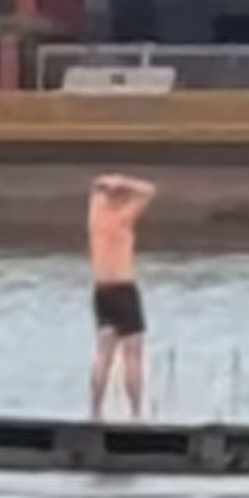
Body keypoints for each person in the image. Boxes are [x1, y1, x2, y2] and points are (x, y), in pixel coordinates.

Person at [87, 173, 156, 419]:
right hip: (124, 288)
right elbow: (149, 189)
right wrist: (125, 183)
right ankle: (136, 413)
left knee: (103, 353)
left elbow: (97, 185)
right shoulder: (123, 218)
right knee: (132, 354)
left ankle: (95, 412)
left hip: (101, 289)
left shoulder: (95, 215)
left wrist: (109, 183)